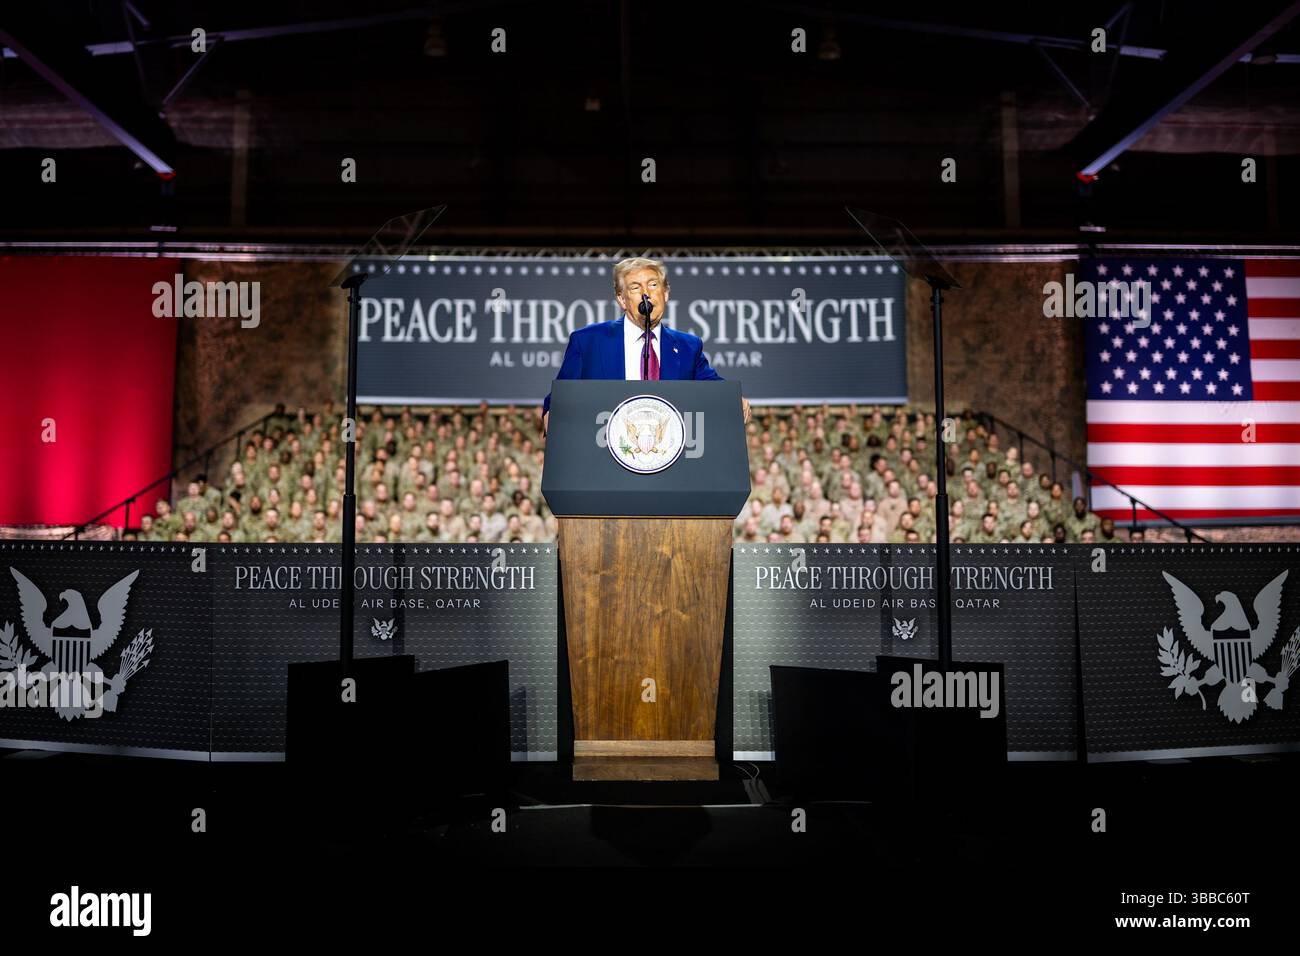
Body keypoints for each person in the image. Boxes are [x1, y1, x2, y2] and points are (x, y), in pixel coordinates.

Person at [541, 257, 750, 433]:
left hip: (667, 463)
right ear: (622, 300)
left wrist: (733, 400)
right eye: (635, 287)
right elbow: (561, 395)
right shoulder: (588, 341)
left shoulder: (688, 347)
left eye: (653, 284)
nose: (646, 293)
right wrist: (553, 414)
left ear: (665, 294)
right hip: (603, 461)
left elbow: (713, 387)